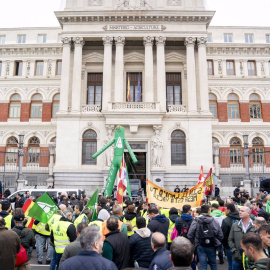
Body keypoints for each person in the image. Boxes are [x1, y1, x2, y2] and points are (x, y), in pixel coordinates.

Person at [187, 204, 223, 270]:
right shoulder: (214, 220)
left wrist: (194, 242)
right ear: (209, 211)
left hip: (200, 244)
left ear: (201, 211)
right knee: (213, 264)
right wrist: (216, 241)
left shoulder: (196, 220)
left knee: (203, 265)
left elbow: (190, 234)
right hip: (212, 244)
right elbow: (220, 234)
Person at [221, 203, 240, 270]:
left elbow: (223, 235)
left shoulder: (226, 221)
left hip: (229, 246)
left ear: (229, 210)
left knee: (231, 265)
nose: (224, 211)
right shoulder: (241, 218)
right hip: (241, 246)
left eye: (225, 209)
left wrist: (225, 245)